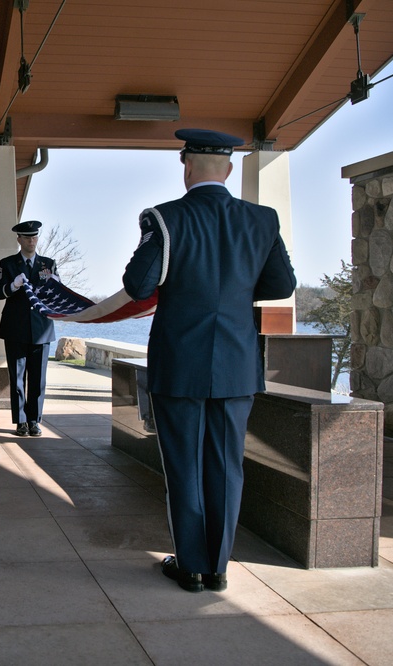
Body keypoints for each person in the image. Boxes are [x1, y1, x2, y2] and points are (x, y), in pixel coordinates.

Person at [121, 128, 297, 594]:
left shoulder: (164, 219)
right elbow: (281, 286)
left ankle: (191, 566)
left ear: (188, 167)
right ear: (230, 169)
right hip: (237, 364)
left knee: (184, 466)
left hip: (180, 362)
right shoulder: (262, 220)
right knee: (225, 465)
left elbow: (139, 285)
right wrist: (233, 290)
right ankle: (217, 567)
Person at [0, 219, 58, 436]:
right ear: (19, 239)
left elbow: (55, 298)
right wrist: (13, 285)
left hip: (41, 329)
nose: (32, 241)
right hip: (16, 328)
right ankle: (21, 421)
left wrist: (57, 285)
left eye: (35, 237)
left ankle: (34, 420)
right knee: (18, 377)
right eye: (28, 237)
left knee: (38, 379)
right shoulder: (8, 264)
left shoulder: (48, 264)